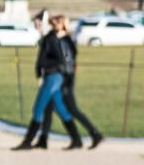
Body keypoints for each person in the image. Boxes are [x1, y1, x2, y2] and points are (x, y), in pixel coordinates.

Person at [25, 12, 104, 149]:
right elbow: (46, 43)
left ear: (63, 25)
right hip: (58, 78)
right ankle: (46, 139)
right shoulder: (55, 38)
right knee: (50, 108)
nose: (54, 25)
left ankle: (94, 133)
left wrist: (66, 81)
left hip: (64, 81)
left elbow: (68, 63)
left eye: (57, 23)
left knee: (72, 109)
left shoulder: (66, 41)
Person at [18, 14, 80, 151]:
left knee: (38, 108)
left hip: (53, 76)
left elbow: (59, 58)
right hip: (51, 76)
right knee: (60, 108)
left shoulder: (55, 40)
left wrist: (44, 70)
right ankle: (76, 139)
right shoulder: (49, 38)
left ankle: (27, 141)